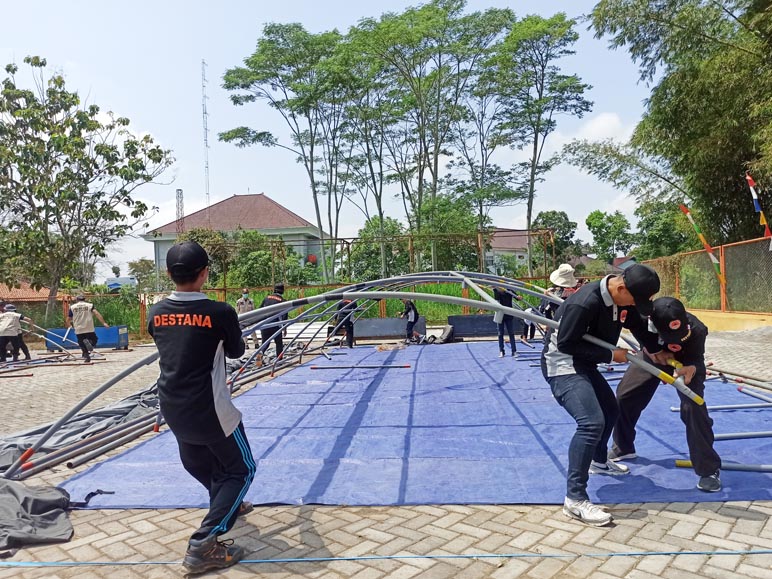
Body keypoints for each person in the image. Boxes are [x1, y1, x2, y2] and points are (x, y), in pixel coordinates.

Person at [148, 241, 254, 575]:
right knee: (242, 469)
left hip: (172, 407)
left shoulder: (156, 313)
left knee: (201, 462)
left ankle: (227, 502)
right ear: (205, 273)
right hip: (210, 408)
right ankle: (204, 543)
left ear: (169, 273)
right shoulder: (220, 312)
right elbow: (236, 352)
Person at [541, 263, 661, 526]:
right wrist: (610, 355)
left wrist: (663, 353)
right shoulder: (584, 303)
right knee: (591, 423)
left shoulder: (623, 301)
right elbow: (567, 344)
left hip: (584, 363)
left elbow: (641, 330)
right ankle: (575, 500)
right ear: (620, 287)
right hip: (562, 364)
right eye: (634, 300)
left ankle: (598, 461)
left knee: (611, 410)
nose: (634, 306)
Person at [610, 297, 722, 492]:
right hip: (653, 356)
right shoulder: (643, 321)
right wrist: (651, 350)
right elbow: (639, 334)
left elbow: (696, 358)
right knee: (624, 395)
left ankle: (708, 470)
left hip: (687, 363)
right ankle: (623, 446)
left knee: (693, 408)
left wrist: (690, 369)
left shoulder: (697, 329)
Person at [68, 295, 109, 363]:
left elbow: (69, 318)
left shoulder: (72, 307)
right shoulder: (89, 305)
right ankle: (90, 343)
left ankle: (86, 356)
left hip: (78, 328)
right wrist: (104, 323)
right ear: (84, 299)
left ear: (77, 300)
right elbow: (96, 313)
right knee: (94, 340)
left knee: (81, 343)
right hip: (88, 327)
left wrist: (69, 325)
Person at [259, 283, 288, 361]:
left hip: (264, 325)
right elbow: (284, 316)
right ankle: (279, 360)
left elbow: (259, 311)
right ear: (282, 291)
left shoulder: (266, 298)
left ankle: (260, 353)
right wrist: (285, 328)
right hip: (276, 325)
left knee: (265, 343)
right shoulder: (283, 301)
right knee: (279, 343)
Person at [493, 287, 517, 358]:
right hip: (500, 314)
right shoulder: (497, 291)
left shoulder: (509, 290)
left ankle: (514, 351)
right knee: (500, 333)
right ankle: (501, 351)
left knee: (511, 333)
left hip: (508, 314)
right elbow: (496, 299)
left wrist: (518, 297)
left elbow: (517, 297)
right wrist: (496, 289)